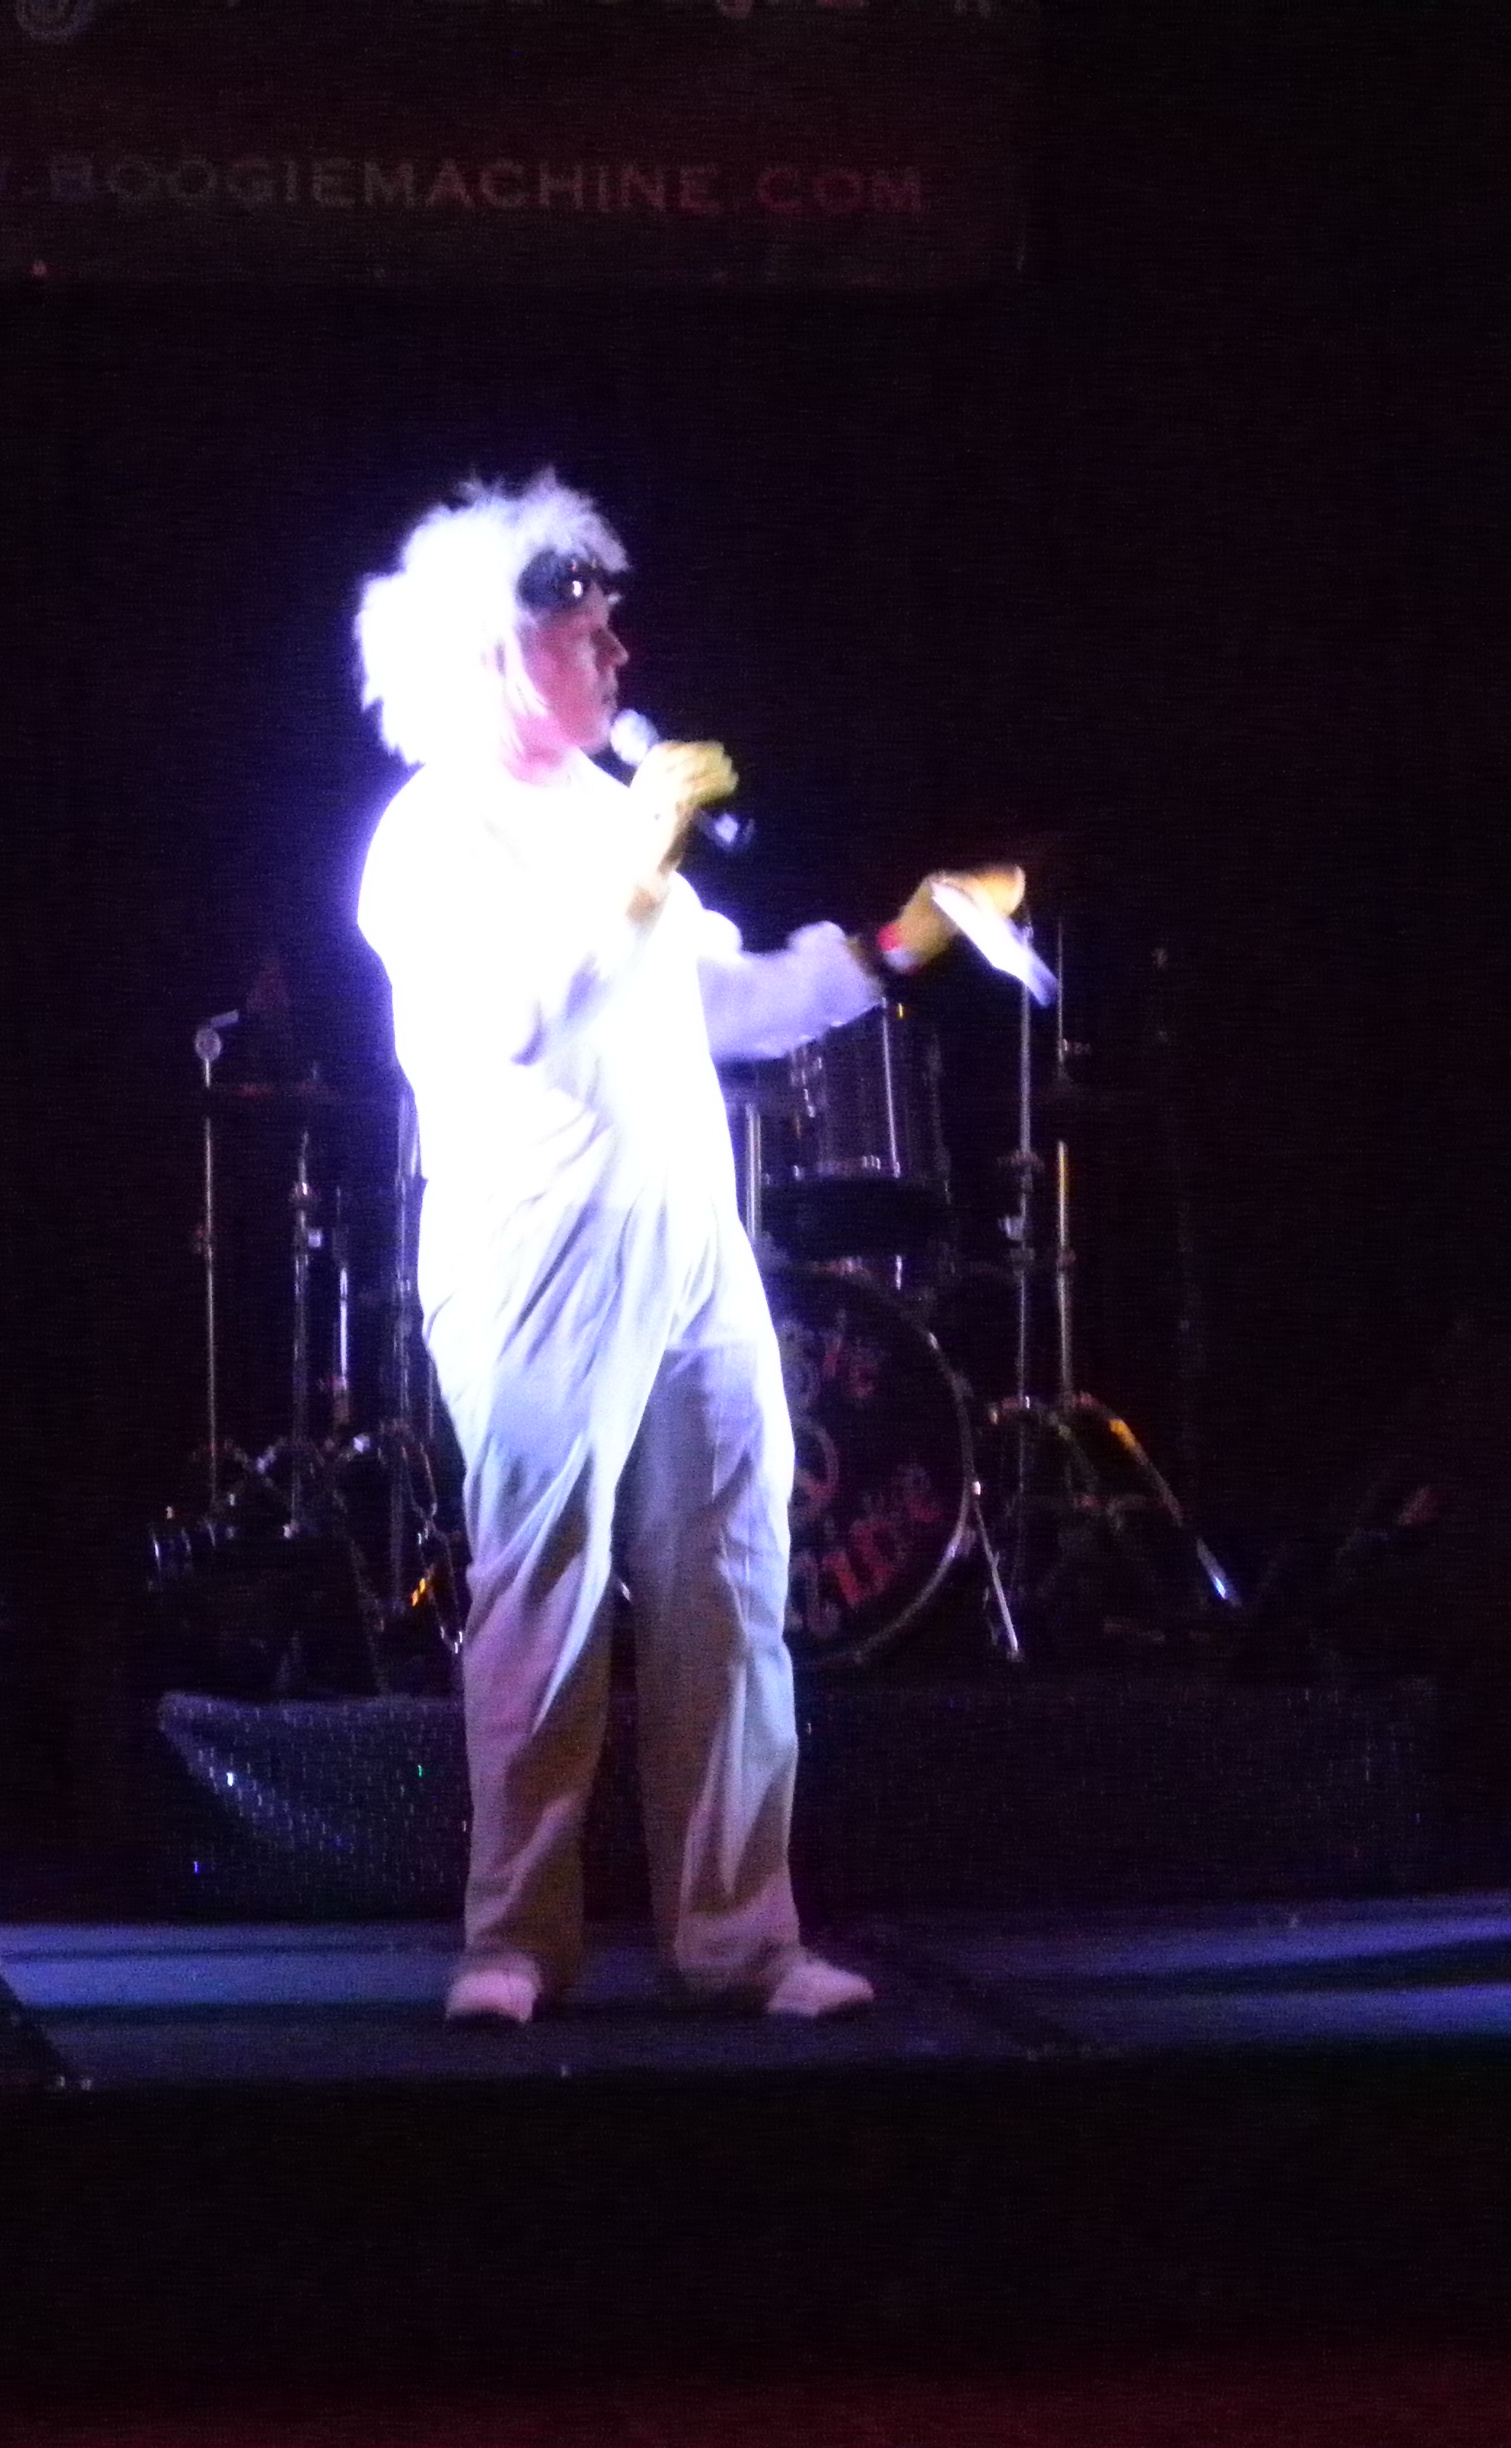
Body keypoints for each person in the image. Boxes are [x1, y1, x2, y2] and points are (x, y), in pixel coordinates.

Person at [351, 472, 1021, 2023]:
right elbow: (521, 1012)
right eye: (585, 628)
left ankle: (742, 1937)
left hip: (690, 1244)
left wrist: (895, 946)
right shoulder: (434, 831)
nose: (617, 651)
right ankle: (513, 1943)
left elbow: (715, 1002)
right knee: (547, 1591)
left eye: (613, 624)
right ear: (497, 648)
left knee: (730, 1578)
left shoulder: (611, 818)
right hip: (539, 1255)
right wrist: (643, 846)